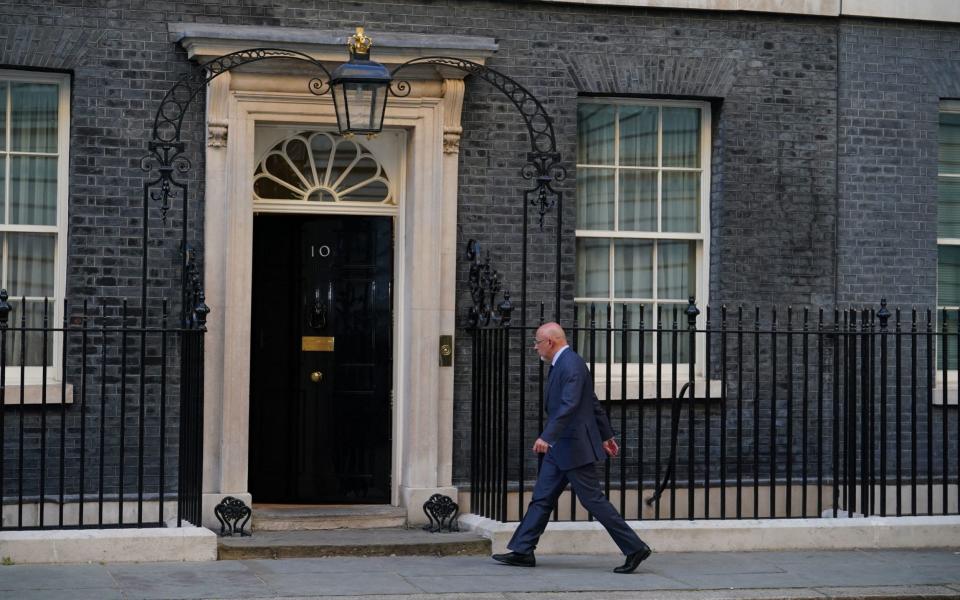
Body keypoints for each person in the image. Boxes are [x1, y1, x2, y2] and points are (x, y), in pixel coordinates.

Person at [491, 322, 652, 574]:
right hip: (560, 448)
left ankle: (634, 548)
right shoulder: (563, 364)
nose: (535, 348)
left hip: (573, 447)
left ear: (551, 342)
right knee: (542, 498)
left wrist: (547, 436)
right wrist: (606, 435)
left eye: (537, 343)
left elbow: (570, 404)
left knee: (593, 500)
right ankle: (523, 550)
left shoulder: (571, 365)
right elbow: (593, 403)